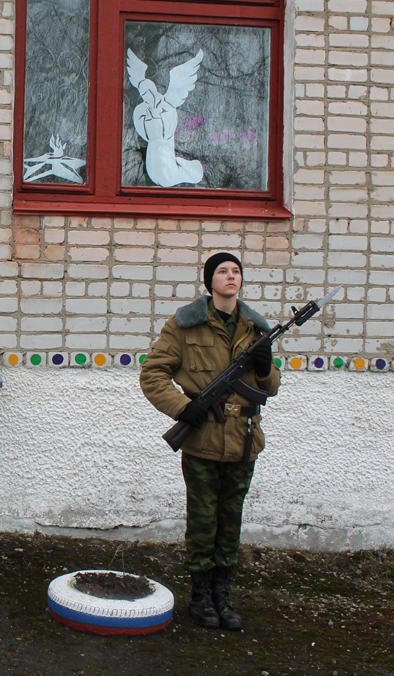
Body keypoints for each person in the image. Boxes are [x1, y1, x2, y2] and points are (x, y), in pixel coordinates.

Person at [139, 252, 279, 631]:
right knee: (203, 521)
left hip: (244, 440)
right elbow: (152, 374)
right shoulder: (185, 326)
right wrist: (184, 408)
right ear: (209, 281)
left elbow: (271, 387)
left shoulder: (255, 328)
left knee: (231, 520)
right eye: (222, 271)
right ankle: (200, 597)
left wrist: (265, 367)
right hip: (203, 440)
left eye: (236, 271)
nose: (231, 276)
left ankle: (223, 595)